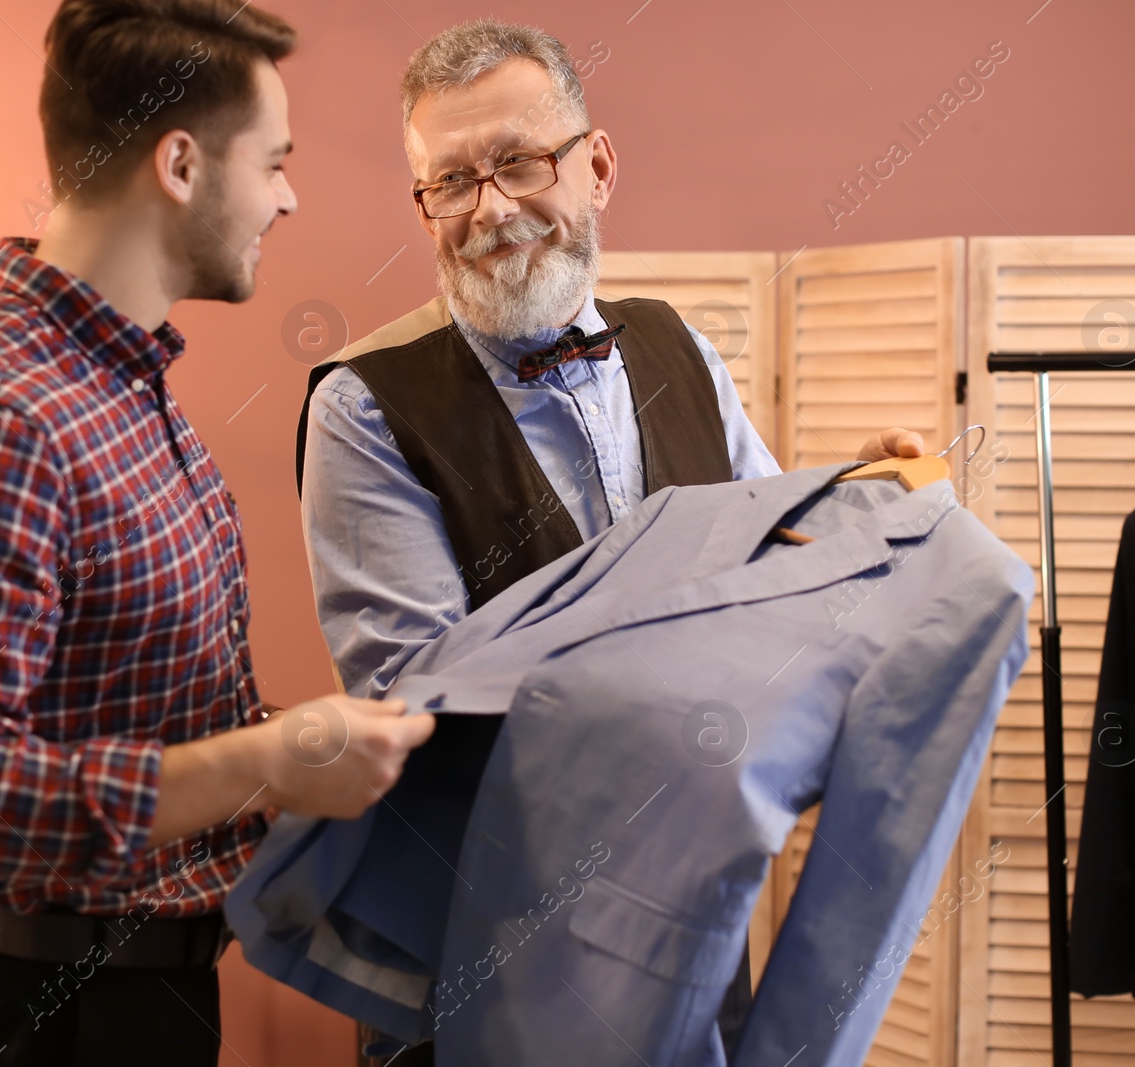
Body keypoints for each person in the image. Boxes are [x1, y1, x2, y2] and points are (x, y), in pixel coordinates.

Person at [297, 18, 925, 1064]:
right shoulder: (362, 408)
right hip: (483, 963)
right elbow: (422, 713)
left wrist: (847, 500)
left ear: (596, 165)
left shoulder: (681, 343)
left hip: (693, 933)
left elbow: (771, 576)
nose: (490, 210)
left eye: (518, 162)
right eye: (450, 181)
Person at [0, 4, 433, 1064]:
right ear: (181, 162)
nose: (289, 196)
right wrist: (264, 763)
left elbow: (152, 715)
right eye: (275, 161)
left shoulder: (121, 387)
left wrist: (337, 746)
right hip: (40, 1020)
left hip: (140, 1002)